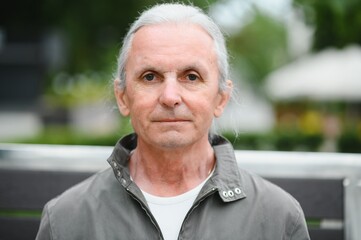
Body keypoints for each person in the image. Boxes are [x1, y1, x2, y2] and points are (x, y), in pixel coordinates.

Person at [36, 3, 310, 240]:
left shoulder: (279, 218)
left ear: (221, 98)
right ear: (122, 97)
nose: (169, 97)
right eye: (150, 77)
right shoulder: (64, 221)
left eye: (191, 77)